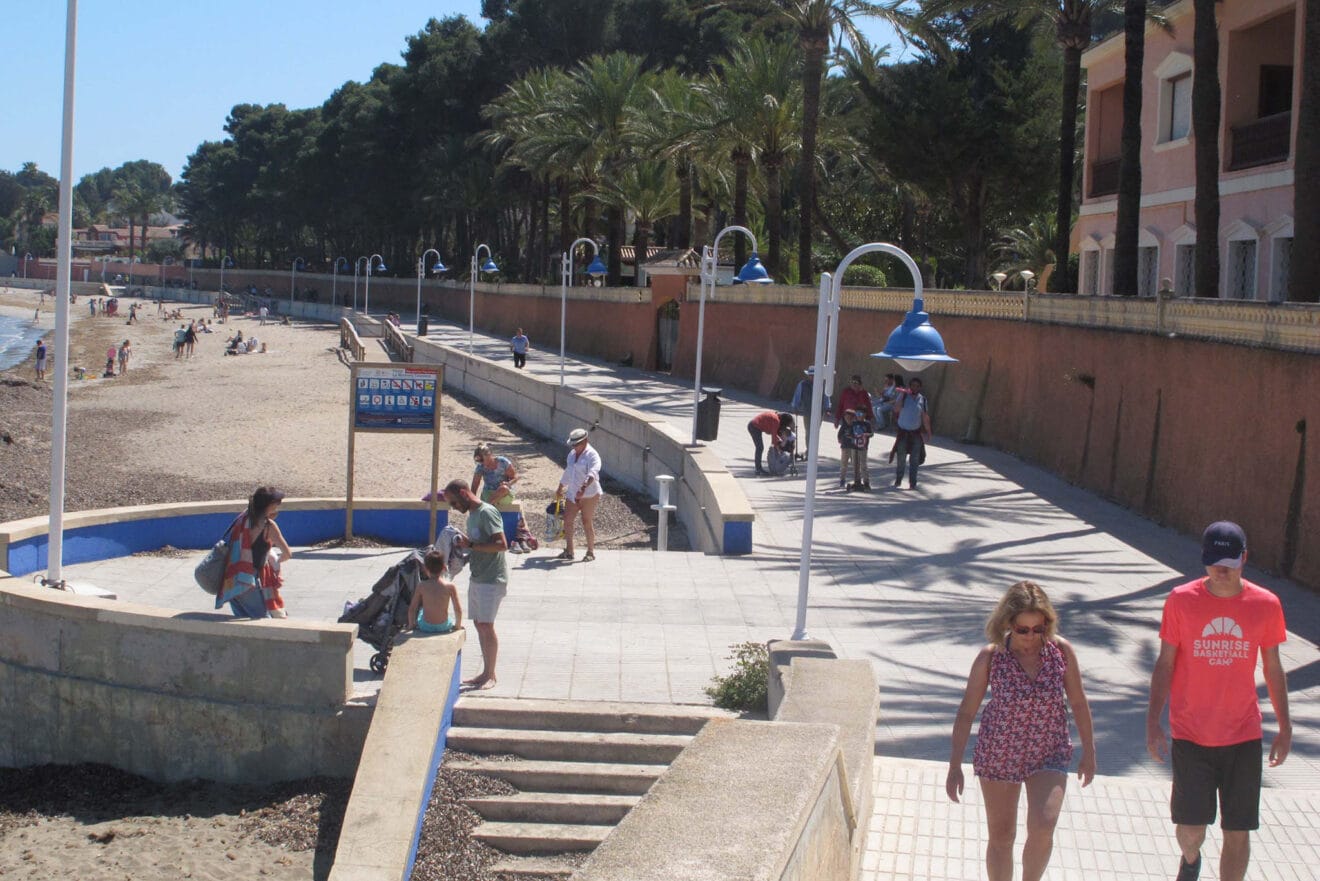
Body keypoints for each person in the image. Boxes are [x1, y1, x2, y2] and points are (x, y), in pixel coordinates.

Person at [1146, 521, 1291, 881]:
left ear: (1245, 557)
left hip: (1243, 735)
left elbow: (1273, 668)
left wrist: (1285, 727)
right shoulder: (1181, 600)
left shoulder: (1266, 604)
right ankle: (1191, 859)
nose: (1221, 570)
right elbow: (1166, 663)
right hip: (1191, 733)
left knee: (1237, 831)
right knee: (1191, 831)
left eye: (1229, 561)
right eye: (1213, 562)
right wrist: (1152, 722)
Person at [948, 580, 1096, 881]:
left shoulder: (1060, 652)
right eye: (1023, 629)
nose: (1031, 637)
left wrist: (1089, 752)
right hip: (999, 753)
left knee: (1044, 825)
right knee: (1002, 836)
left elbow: (1079, 702)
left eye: (1038, 629)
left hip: (1049, 751)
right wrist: (954, 765)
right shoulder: (991, 657)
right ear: (1008, 624)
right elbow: (966, 712)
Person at [442, 479, 508, 689]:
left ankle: (490, 675)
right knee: (480, 624)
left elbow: (501, 544)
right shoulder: (472, 516)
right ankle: (485, 672)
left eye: (454, 502)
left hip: (492, 578)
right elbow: (479, 545)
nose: (454, 508)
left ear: (463, 493)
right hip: (478, 576)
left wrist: (471, 544)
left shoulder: (486, 512)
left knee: (487, 625)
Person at [216, 486, 293, 619]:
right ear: (269, 505)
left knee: (243, 621)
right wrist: (275, 561)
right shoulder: (268, 526)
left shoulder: (243, 518)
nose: (279, 506)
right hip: (247, 579)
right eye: (277, 503)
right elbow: (287, 554)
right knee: (262, 622)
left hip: (231, 579)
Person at [557, 427, 602, 561]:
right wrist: (560, 486)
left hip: (589, 494)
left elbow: (593, 472)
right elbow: (568, 472)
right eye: (573, 444)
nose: (574, 447)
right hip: (572, 493)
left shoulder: (592, 455)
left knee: (586, 521)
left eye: (577, 444)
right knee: (567, 520)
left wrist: (583, 487)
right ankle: (569, 550)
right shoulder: (571, 455)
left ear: (585, 441)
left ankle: (590, 552)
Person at [405, 549, 463, 635]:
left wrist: (411, 626)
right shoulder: (450, 586)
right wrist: (457, 626)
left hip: (425, 626)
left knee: (421, 611)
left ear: (425, 568)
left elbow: (412, 609)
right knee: (448, 617)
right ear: (444, 567)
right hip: (443, 626)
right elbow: (458, 609)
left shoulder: (421, 586)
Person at [892, 376, 931, 489]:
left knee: (914, 460)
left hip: (915, 433)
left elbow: (925, 417)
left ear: (920, 387)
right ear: (910, 386)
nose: (915, 387)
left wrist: (928, 432)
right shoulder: (903, 396)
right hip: (903, 433)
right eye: (913, 385)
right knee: (901, 459)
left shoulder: (922, 400)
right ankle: (898, 480)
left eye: (917, 386)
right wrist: (902, 395)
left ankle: (912, 483)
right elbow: (896, 409)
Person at [789, 367, 830, 460]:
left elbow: (826, 397)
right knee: (809, 432)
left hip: (819, 412)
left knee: (815, 432)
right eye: (811, 375)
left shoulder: (822, 385)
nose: (812, 377)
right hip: (807, 412)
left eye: (814, 375)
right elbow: (797, 396)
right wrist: (795, 406)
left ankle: (811, 451)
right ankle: (809, 452)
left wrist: (827, 409)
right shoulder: (802, 384)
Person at [471, 443, 518, 509]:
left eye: (482, 460)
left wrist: (508, 483)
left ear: (489, 455)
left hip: (504, 493)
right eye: (479, 461)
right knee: (487, 496)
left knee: (503, 488)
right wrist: (472, 501)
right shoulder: (480, 466)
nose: (482, 463)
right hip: (488, 492)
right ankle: (487, 507)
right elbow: (475, 485)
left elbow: (514, 478)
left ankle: (485, 508)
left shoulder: (503, 462)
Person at [747, 410, 788, 476]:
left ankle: (758, 469)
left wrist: (778, 441)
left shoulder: (774, 415)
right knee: (760, 448)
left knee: (759, 447)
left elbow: (772, 433)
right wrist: (777, 449)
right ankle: (758, 469)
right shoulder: (776, 420)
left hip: (753, 425)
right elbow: (773, 438)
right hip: (754, 427)